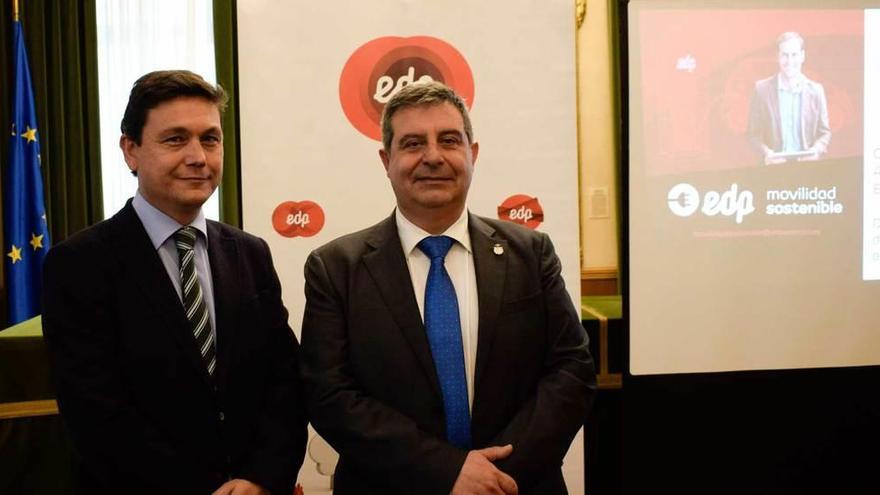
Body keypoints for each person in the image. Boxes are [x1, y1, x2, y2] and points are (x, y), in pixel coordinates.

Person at [300, 81, 596, 494]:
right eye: (413, 143)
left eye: (449, 140)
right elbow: (330, 396)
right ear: (387, 160)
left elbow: (572, 370)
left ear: (472, 154)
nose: (433, 157)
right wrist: (448, 471)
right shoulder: (335, 268)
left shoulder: (530, 253)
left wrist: (497, 477)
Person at [41, 70, 307, 495]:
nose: (198, 156)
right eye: (175, 139)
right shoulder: (79, 264)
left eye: (210, 138)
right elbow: (95, 412)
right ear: (131, 150)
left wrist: (261, 477)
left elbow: (284, 383)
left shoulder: (250, 253)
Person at [748, 31, 831, 165]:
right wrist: (767, 153)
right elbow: (753, 135)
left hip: (808, 170)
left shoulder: (817, 91)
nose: (790, 61)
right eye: (785, 55)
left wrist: (816, 151)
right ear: (777, 57)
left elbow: (824, 133)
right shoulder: (761, 90)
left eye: (794, 55)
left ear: (802, 56)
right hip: (773, 170)